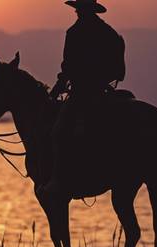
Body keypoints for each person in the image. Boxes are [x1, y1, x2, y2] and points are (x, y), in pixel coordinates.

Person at [37, 0, 126, 201]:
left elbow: (67, 66)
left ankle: (59, 180)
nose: (77, 12)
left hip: (83, 93)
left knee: (59, 130)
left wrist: (59, 86)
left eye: (79, 8)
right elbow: (118, 71)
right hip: (104, 91)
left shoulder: (75, 32)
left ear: (83, 10)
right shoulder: (108, 32)